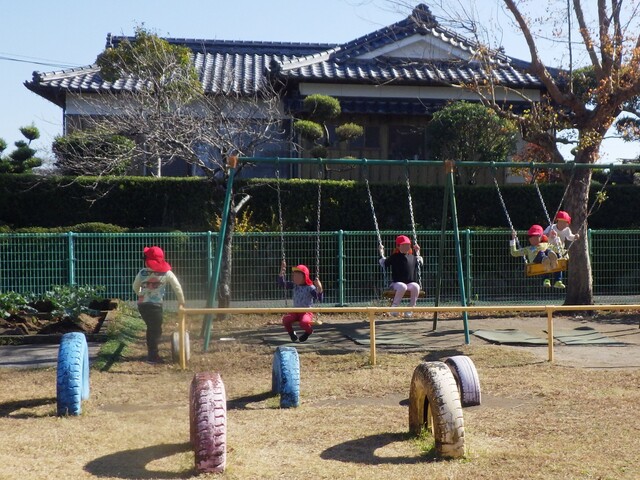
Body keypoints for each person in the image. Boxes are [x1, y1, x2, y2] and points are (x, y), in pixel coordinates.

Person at [133, 246, 185, 363]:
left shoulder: (142, 272)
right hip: (155, 306)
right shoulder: (167, 273)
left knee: (151, 328)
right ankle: (153, 355)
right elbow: (177, 287)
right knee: (155, 330)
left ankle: (152, 352)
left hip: (142, 305)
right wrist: (181, 301)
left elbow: (135, 286)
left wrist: (140, 294)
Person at [378, 235, 423, 317]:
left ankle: (410, 308)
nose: (406, 247)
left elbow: (420, 263)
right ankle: (394, 307)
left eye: (408, 245)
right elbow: (384, 263)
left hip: (409, 284)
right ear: (398, 246)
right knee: (402, 286)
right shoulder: (394, 257)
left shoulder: (413, 257)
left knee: (416, 286)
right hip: (396, 284)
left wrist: (417, 251)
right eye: (403, 245)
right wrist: (381, 252)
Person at [278, 261, 323, 342]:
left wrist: (319, 287)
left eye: (298, 275)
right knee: (286, 320)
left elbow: (319, 298)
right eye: (294, 275)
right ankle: (291, 333)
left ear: (305, 276)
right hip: (295, 311)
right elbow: (281, 283)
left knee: (304, 322)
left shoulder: (310, 287)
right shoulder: (294, 285)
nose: (295, 277)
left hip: (306, 312)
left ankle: (309, 332)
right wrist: (282, 270)